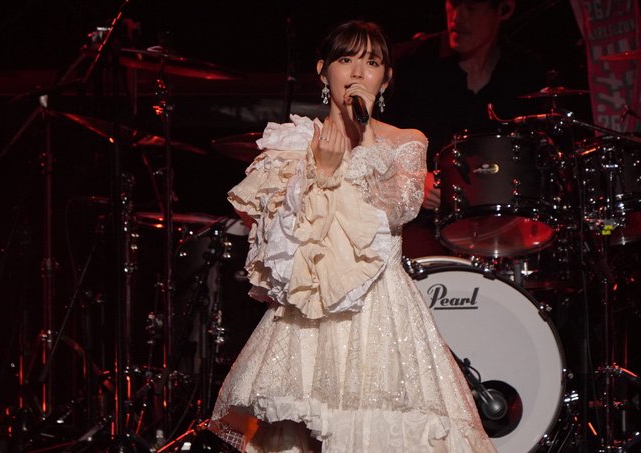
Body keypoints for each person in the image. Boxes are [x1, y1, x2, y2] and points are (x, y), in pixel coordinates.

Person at [208, 20, 496, 452]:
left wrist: (364, 140)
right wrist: (320, 172)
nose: (359, 72)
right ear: (323, 71)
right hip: (307, 316)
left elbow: (400, 207)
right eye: (346, 59)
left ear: (386, 79)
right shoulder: (293, 144)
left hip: (381, 310)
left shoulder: (404, 141)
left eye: (372, 63)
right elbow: (274, 243)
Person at [385, 0, 548, 258]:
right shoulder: (410, 63)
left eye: (471, 7)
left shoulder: (526, 72)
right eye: (453, 4)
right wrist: (411, 179)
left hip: (503, 230)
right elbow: (366, 140)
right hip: (420, 226)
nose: (457, 17)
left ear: (503, 10)